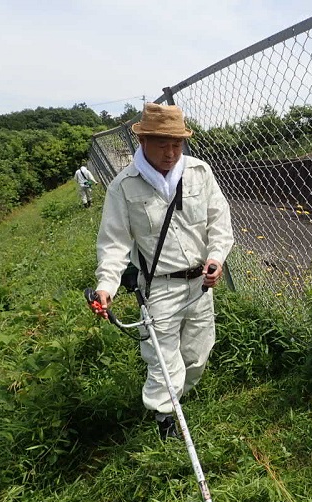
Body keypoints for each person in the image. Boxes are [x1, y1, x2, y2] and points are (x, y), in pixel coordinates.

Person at [89, 103, 234, 440]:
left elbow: (219, 223)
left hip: (200, 283)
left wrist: (216, 258)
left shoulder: (200, 173)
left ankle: (177, 397)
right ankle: (165, 420)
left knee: (197, 355)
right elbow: (113, 243)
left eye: (177, 144)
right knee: (163, 361)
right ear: (143, 142)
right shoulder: (124, 187)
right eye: (162, 144)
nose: (171, 153)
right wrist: (106, 285)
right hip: (159, 288)